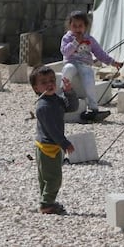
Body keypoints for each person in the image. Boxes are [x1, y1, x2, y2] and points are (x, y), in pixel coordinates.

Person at [29, 65, 79, 214]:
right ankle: (46, 204)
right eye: (44, 82)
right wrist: (65, 143)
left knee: (47, 177)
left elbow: (72, 107)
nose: (49, 84)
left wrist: (69, 92)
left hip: (52, 146)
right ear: (36, 88)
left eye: (52, 80)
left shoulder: (55, 99)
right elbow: (52, 130)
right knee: (54, 178)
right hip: (47, 148)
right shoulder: (43, 107)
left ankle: (47, 201)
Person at [60, 10, 123, 121]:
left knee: (89, 81)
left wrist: (112, 62)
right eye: (74, 26)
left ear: (85, 27)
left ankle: (93, 108)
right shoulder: (67, 38)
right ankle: (63, 94)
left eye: (80, 26)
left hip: (85, 64)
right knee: (68, 69)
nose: (77, 29)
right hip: (71, 62)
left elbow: (100, 53)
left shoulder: (89, 39)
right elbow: (65, 52)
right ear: (70, 26)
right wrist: (75, 42)